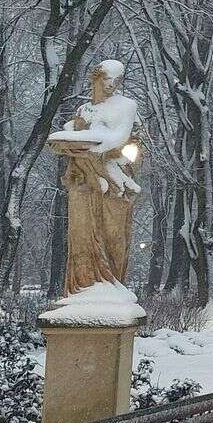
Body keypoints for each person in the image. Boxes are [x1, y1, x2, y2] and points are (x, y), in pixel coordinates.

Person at [49, 59, 141, 295]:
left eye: (118, 80)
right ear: (97, 78)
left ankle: (113, 288)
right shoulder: (84, 110)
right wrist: (72, 144)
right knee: (80, 237)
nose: (113, 84)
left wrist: (88, 147)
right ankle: (84, 289)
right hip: (82, 181)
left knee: (113, 237)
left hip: (111, 182)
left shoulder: (126, 106)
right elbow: (69, 133)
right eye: (109, 78)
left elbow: (118, 139)